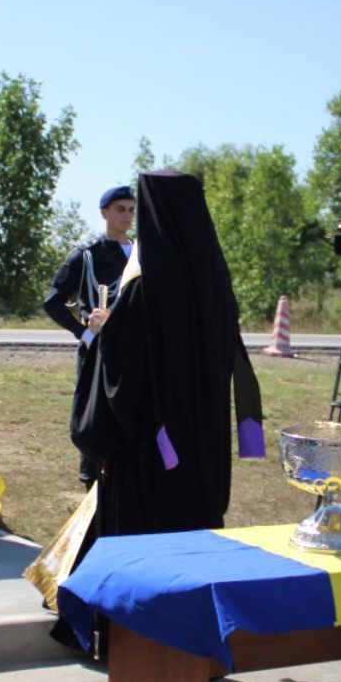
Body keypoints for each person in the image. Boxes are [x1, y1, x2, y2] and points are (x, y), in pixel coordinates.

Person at [71, 170, 263, 539]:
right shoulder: (215, 282)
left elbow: (124, 368)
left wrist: (108, 328)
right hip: (205, 433)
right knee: (195, 526)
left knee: (150, 532)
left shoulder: (145, 284)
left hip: (153, 444)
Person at [45, 184, 136, 485]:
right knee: (94, 414)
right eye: (120, 209)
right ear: (104, 212)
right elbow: (53, 301)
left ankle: (125, 478)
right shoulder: (87, 255)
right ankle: (91, 481)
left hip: (130, 350)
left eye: (131, 210)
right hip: (97, 349)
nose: (127, 216)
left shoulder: (141, 255)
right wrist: (83, 334)